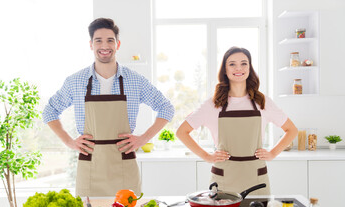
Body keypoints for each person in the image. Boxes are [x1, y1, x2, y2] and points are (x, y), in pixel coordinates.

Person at [42, 18, 174, 197]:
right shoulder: (75, 81)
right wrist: (69, 142)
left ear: (117, 44)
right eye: (99, 40)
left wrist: (143, 139)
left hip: (124, 164)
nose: (105, 46)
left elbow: (166, 108)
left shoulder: (135, 80)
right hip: (90, 165)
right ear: (91, 45)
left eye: (110, 40)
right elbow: (50, 111)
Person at [176, 46, 297, 195]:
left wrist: (272, 153)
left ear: (249, 68)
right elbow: (182, 132)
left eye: (244, 63)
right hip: (224, 178)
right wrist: (207, 156)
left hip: (256, 179)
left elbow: (291, 130)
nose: (238, 68)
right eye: (232, 64)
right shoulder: (213, 104)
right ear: (225, 70)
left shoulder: (261, 101)